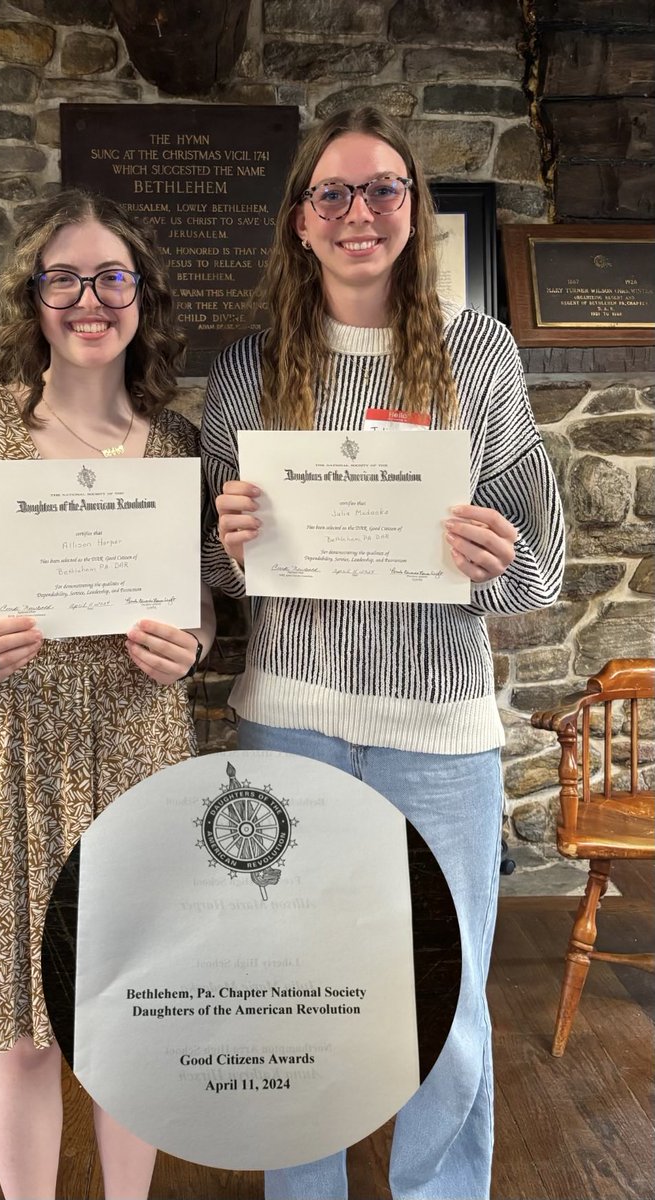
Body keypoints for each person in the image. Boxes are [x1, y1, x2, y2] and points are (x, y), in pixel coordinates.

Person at [200, 107, 564, 1200]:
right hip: (289, 721)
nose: (360, 213)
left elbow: (539, 568)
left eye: (384, 190)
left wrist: (486, 558)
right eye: (335, 193)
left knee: (442, 1002)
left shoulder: (479, 352)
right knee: (292, 988)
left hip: (440, 739)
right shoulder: (247, 366)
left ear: (415, 210)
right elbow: (216, 577)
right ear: (300, 221)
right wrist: (224, 549)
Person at [0, 188, 215, 1200]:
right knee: (23, 1032)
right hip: (8, 748)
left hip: (136, 747)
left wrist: (186, 652)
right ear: (31, 298)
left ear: (141, 297)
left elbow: (195, 619)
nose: (88, 299)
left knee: (129, 1017)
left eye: (110, 277)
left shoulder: (179, 446)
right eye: (61, 278)